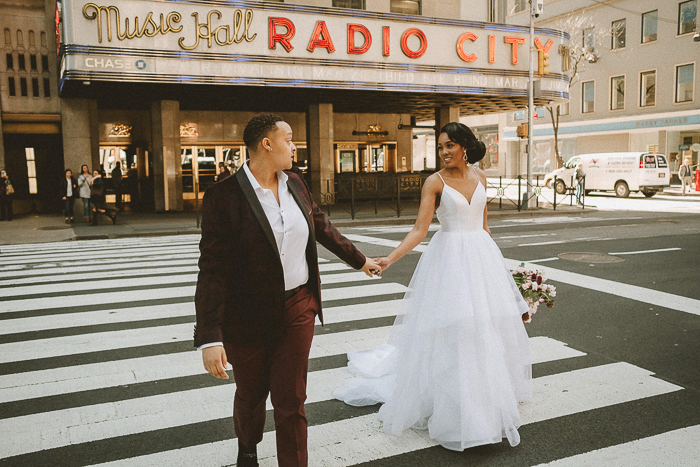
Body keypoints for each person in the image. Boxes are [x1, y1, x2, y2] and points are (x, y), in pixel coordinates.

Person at [194, 114, 380, 467]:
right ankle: (247, 449)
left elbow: (321, 226)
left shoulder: (296, 182)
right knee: (251, 396)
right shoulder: (224, 196)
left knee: (291, 400)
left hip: (297, 306)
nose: (294, 146)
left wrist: (359, 260)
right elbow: (212, 269)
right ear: (267, 144)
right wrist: (209, 336)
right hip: (246, 316)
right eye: (289, 139)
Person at [333, 122, 532, 451]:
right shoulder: (434, 182)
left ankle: (484, 401)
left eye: (451, 145)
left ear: (465, 146)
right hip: (449, 261)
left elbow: (484, 229)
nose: (444, 152)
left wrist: (505, 283)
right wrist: (390, 258)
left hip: (482, 258)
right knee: (455, 331)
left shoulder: (481, 178)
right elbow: (418, 229)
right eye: (441, 146)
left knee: (484, 330)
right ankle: (455, 409)